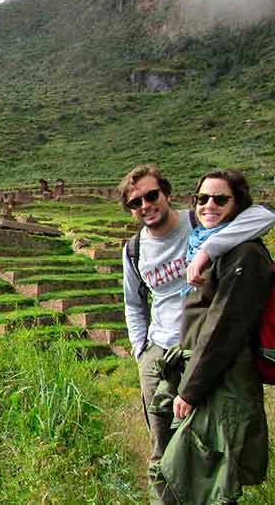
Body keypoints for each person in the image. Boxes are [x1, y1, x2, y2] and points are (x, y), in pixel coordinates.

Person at [117, 165, 275, 500]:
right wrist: (140, 350)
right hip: (160, 355)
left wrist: (206, 251)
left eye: (151, 195)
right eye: (135, 202)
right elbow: (133, 303)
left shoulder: (200, 225)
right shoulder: (134, 249)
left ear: (167, 194)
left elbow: (263, 215)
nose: (145, 205)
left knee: (204, 452)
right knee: (163, 449)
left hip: (203, 356)